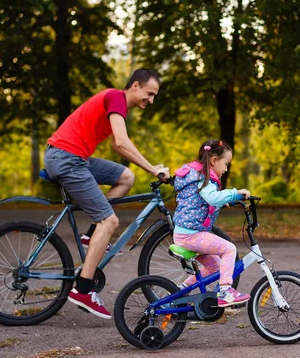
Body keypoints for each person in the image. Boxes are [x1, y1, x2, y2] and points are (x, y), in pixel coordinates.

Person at [43, 69, 170, 319]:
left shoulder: (117, 104)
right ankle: (83, 288)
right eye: (150, 93)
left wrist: (146, 168)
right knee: (109, 221)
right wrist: (153, 169)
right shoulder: (115, 97)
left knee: (126, 177)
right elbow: (121, 143)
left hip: (73, 157)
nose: (151, 100)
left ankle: (92, 236)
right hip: (67, 159)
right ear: (135, 86)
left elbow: (115, 143)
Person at [172, 139, 251, 307]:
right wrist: (235, 194)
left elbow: (202, 199)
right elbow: (212, 197)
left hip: (186, 233)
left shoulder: (197, 175)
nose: (226, 169)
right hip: (191, 235)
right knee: (229, 249)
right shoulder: (204, 178)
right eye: (226, 164)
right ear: (214, 160)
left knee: (215, 267)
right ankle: (225, 292)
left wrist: (224, 201)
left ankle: (179, 292)